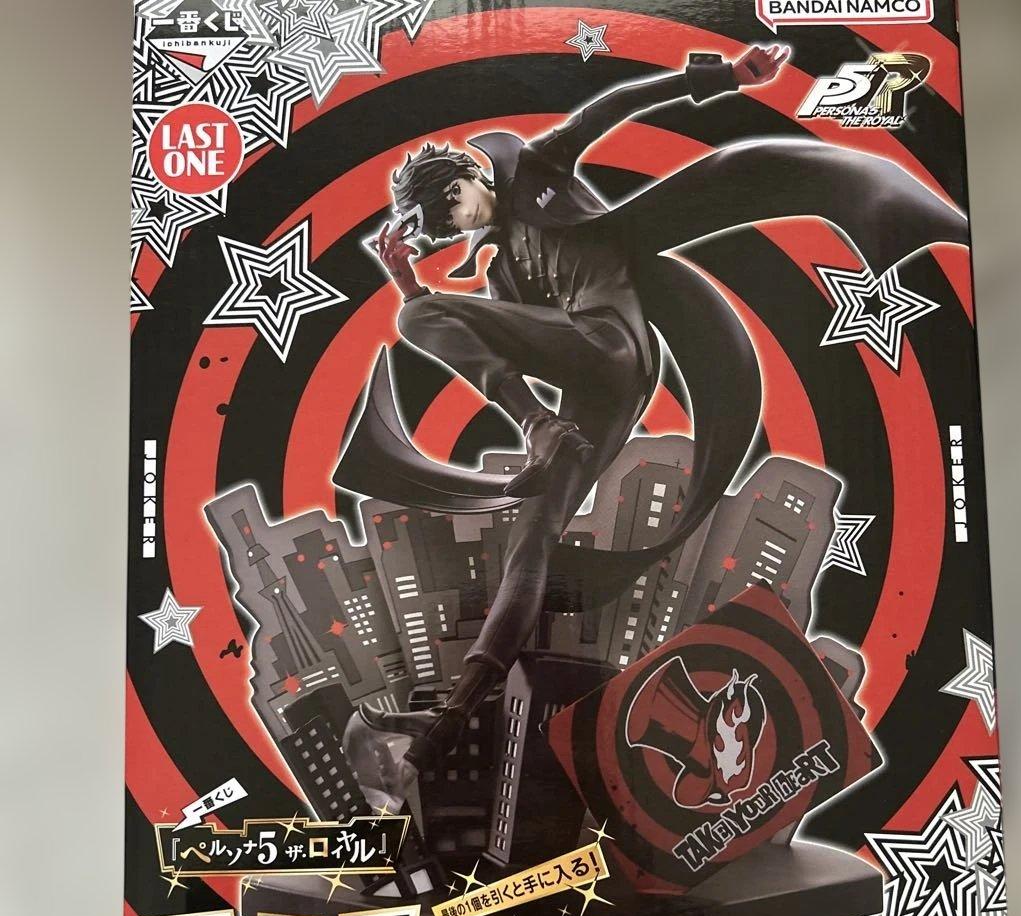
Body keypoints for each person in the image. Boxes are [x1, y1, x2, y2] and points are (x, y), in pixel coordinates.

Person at [336, 44, 967, 797]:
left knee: (421, 317)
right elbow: (493, 339)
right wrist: (408, 280)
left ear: (471, 176)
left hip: (614, 346)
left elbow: (612, 106)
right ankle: (452, 716)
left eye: (454, 203)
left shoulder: (535, 169)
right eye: (444, 222)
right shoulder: (501, 269)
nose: (457, 219)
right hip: (593, 398)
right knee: (530, 537)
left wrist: (724, 76)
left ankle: (535, 427)